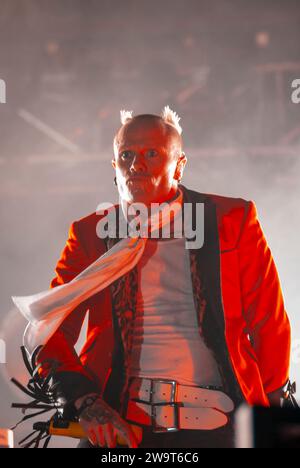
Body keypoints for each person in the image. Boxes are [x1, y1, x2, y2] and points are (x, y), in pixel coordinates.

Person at [34, 107, 291, 448]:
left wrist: (274, 412)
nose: (136, 164)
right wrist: (86, 403)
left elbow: (268, 324)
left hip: (222, 424)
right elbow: (47, 330)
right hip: (122, 426)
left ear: (179, 165)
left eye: (151, 154)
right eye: (126, 155)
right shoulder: (91, 233)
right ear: (114, 167)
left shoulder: (231, 219)